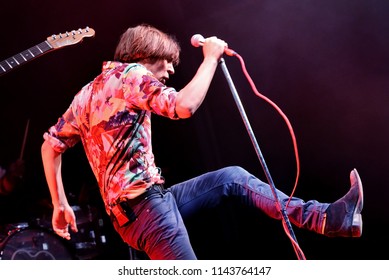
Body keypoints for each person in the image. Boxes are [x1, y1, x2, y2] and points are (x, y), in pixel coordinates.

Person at [41, 23, 364, 260]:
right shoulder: (131, 75)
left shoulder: (85, 95)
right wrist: (209, 58)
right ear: (141, 54)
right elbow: (184, 106)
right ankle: (327, 219)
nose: (169, 71)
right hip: (148, 211)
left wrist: (60, 204)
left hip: (137, 215)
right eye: (165, 61)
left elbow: (50, 146)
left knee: (233, 179)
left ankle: (326, 217)